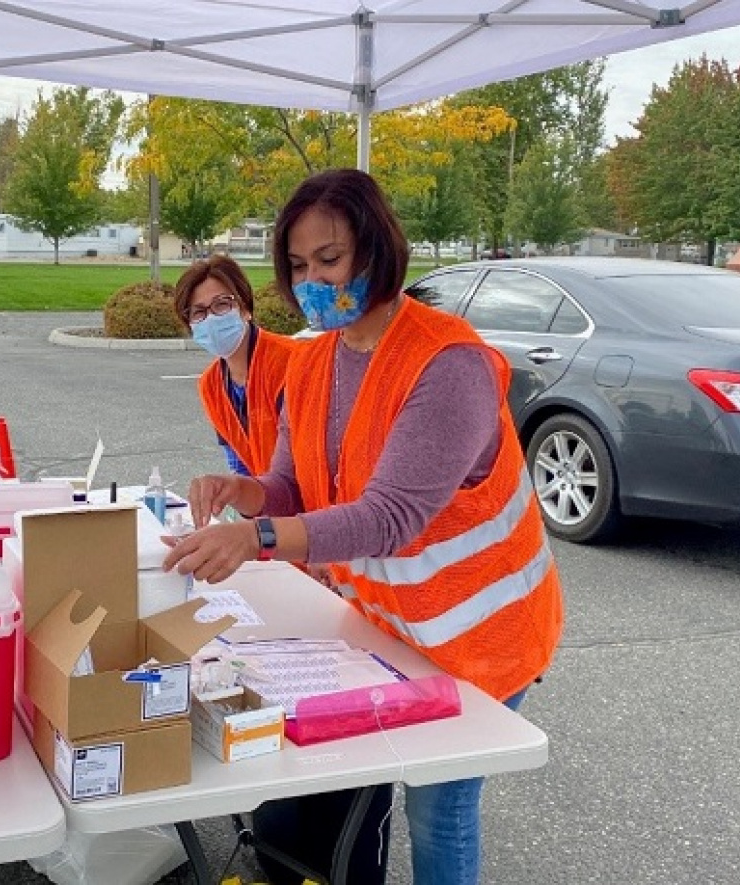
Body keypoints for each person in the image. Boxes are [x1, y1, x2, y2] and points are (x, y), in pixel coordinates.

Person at [163, 169, 564, 885]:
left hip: (482, 636)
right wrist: (243, 491)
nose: (311, 279)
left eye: (329, 259)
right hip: (387, 627)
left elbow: (388, 516)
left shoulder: (449, 363)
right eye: (296, 264)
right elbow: (290, 482)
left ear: (376, 250)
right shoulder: (314, 360)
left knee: (439, 807)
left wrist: (254, 539)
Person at [173, 254, 297, 477]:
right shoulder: (211, 385)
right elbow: (239, 465)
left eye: (222, 304)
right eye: (198, 312)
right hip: (265, 502)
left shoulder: (292, 362)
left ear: (245, 307)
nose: (211, 318)